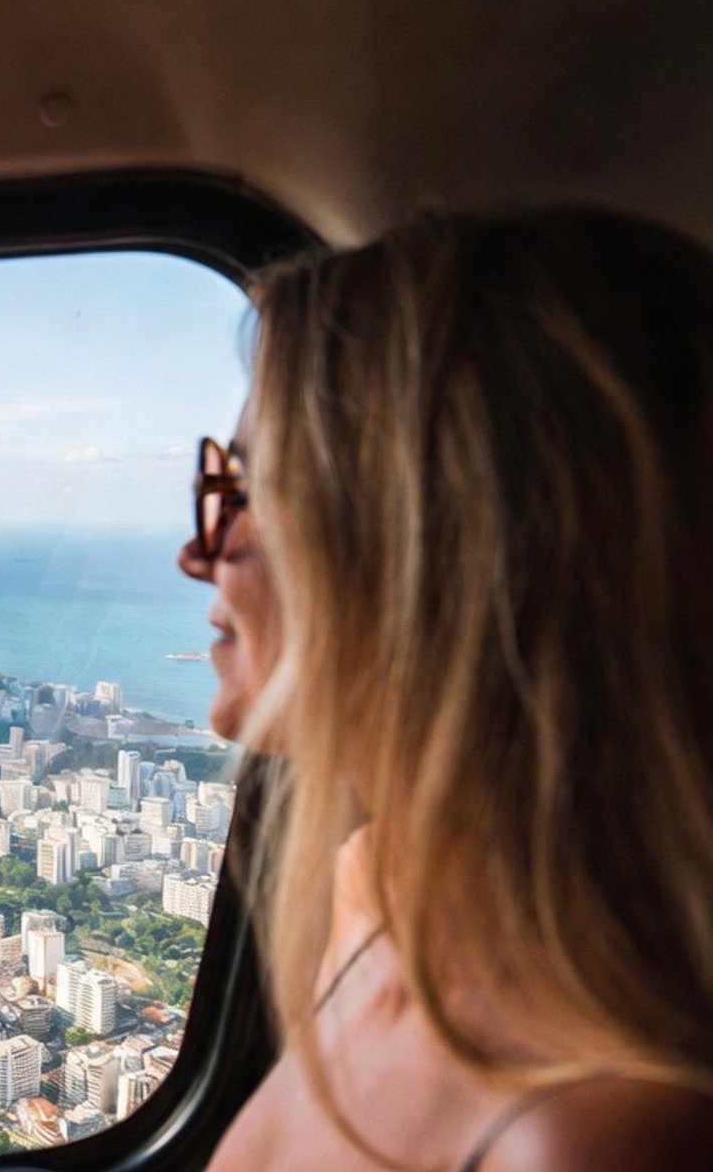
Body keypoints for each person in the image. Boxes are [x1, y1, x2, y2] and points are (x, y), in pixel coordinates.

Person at [177, 209, 713, 1169]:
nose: (197, 553)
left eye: (247, 494)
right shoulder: (372, 894)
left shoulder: (598, 1137)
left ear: (436, 553)